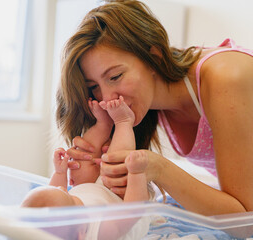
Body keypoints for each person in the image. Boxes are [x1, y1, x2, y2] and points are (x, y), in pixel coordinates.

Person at [55, 0, 253, 221]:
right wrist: (92, 167)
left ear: (154, 58)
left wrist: (158, 168)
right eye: (94, 87)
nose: (106, 98)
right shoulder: (146, 104)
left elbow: (245, 220)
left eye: (115, 76)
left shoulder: (226, 77)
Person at [22, 97, 155, 240]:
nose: (63, 188)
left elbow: (55, 191)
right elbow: (132, 212)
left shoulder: (72, 225)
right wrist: (136, 172)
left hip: (94, 191)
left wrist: (60, 172)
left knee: (81, 167)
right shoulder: (101, 231)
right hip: (122, 199)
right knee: (115, 165)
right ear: (81, 233)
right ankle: (123, 122)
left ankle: (104, 124)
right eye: (69, 197)